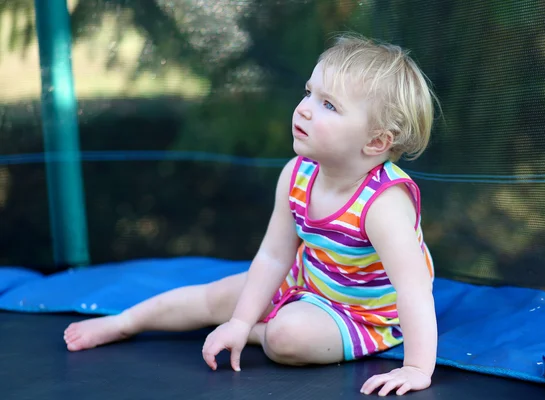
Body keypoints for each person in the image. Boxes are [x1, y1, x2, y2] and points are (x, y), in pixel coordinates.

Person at [63, 33, 438, 396]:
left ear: (375, 142)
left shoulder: (383, 204)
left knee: (287, 337)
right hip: (308, 280)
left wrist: (416, 368)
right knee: (216, 297)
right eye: (310, 92)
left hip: (364, 315)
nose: (304, 107)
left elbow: (414, 290)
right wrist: (241, 318)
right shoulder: (297, 173)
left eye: (329, 105)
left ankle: (258, 330)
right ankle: (125, 322)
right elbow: (275, 255)